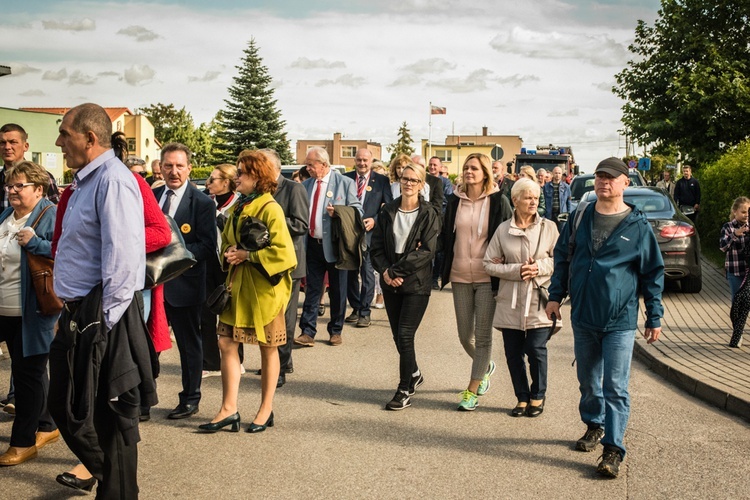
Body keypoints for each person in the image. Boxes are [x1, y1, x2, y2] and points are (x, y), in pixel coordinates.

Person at [49, 103, 154, 498]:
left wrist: (103, 325)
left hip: (104, 316)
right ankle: (116, 482)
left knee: (112, 419)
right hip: (78, 313)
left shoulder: (113, 180)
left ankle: (119, 490)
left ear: (90, 138)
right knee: (63, 405)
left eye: (64, 134)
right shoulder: (84, 181)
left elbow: (124, 261)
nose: (59, 142)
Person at [545, 157, 664, 479]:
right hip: (583, 315)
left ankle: (613, 449)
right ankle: (594, 425)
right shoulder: (581, 216)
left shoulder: (637, 226)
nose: (603, 182)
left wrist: (654, 316)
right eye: (599, 177)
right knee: (588, 381)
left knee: (615, 386)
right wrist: (555, 296)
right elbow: (563, 257)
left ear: (625, 183)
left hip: (619, 320)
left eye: (611, 178)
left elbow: (653, 272)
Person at [199, 150, 295, 434]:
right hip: (237, 288)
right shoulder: (241, 206)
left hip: (264, 292)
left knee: (268, 348)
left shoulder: (270, 208)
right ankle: (229, 409)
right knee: (226, 344)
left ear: (257, 177)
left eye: (241, 173)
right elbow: (227, 240)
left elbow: (286, 254)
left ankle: (266, 409)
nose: (236, 177)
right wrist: (229, 252)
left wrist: (247, 256)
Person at [441, 153, 512, 411]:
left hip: (486, 277)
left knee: (482, 337)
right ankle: (486, 366)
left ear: (485, 172)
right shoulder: (453, 201)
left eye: (475, 167)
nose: (469, 171)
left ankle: (472, 390)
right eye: (467, 167)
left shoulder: (498, 201)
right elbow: (445, 236)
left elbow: (508, 234)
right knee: (464, 335)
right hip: (459, 275)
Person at [0, 161, 59, 466]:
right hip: (3, 308)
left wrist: (36, 242)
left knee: (28, 376)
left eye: (19, 185)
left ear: (38, 189)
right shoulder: (6, 217)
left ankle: (24, 442)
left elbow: (68, 251)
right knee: (30, 374)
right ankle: (48, 424)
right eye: (10, 185)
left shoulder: (49, 216)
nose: (12, 190)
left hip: (32, 312)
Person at [483, 178, 559, 417]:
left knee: (536, 349)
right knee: (513, 353)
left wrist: (538, 267)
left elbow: (561, 261)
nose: (533, 201)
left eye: (536, 197)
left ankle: (538, 395)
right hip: (510, 300)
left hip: (539, 299)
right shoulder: (503, 229)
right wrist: (515, 270)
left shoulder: (549, 228)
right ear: (515, 201)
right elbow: (489, 263)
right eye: (528, 197)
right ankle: (522, 397)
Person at [153, 143, 217, 420]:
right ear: (160, 167)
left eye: (179, 166)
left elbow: (206, 245)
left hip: (185, 285)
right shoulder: (152, 196)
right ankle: (144, 399)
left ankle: (190, 398)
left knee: (189, 345)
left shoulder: (202, 202)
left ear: (189, 168)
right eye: (168, 165)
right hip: (150, 287)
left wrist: (175, 257)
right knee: (147, 344)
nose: (174, 171)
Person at [370, 159, 440, 410]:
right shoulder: (387, 210)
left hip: (416, 282)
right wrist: (386, 272)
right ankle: (414, 373)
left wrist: (396, 270)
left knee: (405, 334)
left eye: (414, 180)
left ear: (421, 184)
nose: (408, 183)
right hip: (391, 279)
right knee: (396, 335)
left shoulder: (428, 213)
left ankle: (403, 388)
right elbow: (375, 247)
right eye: (405, 179)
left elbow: (427, 251)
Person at [295, 147, 362, 347]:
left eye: (311, 165)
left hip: (336, 247)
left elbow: (357, 210)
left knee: (338, 291)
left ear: (324, 165)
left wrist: (339, 212)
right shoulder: (306, 185)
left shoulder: (345, 183)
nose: (307, 168)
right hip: (312, 245)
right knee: (312, 290)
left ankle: (335, 330)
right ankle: (307, 331)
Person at [264, 148, 309, 386]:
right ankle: (280, 361)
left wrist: (270, 223)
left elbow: (301, 224)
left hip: (289, 262)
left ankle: (280, 366)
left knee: (285, 317)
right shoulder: (259, 190)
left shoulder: (294, 188)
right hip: (265, 262)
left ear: (276, 168)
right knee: (270, 316)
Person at [201, 163, 241, 379]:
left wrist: (219, 219)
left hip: (232, 264)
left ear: (226, 182)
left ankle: (237, 360)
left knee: (232, 313)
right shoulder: (208, 203)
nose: (208, 183)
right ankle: (210, 361)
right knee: (206, 312)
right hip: (210, 263)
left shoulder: (238, 204)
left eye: (213, 179)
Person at [344, 148, 393, 327]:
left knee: (367, 273)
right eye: (359, 160)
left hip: (369, 234)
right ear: (354, 161)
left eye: (365, 160)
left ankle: (365, 312)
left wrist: (375, 220)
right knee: (349, 273)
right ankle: (356, 307)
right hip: (348, 234)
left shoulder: (381, 181)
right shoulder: (346, 178)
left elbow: (388, 207)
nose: (362, 164)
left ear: (371, 161)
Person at [0, 123, 61, 206]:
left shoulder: (41, 177)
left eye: (13, 142)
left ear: (26, 146)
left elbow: (53, 213)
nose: (7, 147)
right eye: (2, 143)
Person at [720, 197, 750, 300]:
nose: (746, 215)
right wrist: (735, 234)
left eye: (748, 212)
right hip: (735, 271)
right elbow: (723, 247)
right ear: (735, 211)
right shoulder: (728, 227)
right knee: (738, 301)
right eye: (743, 212)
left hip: (748, 271)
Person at [543, 166, 572, 231]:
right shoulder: (546, 187)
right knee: (550, 233)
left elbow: (569, 202)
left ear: (561, 174)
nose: (557, 175)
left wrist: (568, 213)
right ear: (552, 174)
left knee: (561, 234)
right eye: (556, 173)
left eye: (559, 173)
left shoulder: (566, 187)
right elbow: (543, 201)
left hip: (562, 214)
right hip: (550, 214)